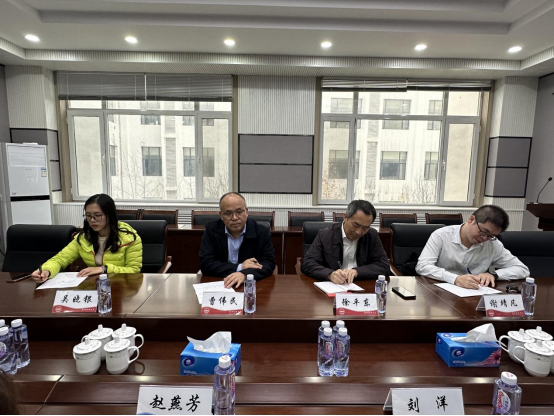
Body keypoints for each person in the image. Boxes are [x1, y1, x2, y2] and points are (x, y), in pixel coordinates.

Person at [31, 194, 142, 282]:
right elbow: (60, 259)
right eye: (88, 216)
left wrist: (104, 269)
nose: (92, 220)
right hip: (94, 286)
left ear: (110, 215)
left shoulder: (129, 238)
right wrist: (46, 271)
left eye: (97, 215)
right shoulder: (83, 238)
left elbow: (134, 270)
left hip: (120, 286)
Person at [416, 205, 529, 289]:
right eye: (483, 232)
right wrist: (455, 279)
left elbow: (522, 269)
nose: (485, 238)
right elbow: (423, 266)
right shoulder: (441, 235)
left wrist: (494, 275)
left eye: (491, 236)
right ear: (471, 220)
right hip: (440, 292)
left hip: (474, 294)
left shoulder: (493, 244)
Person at [301, 200, 390, 283]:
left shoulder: (372, 235)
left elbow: (384, 266)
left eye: (365, 228)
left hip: (360, 284)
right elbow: (308, 263)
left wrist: (357, 271)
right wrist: (330, 274)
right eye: (355, 225)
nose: (359, 232)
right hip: (333, 286)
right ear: (345, 217)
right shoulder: (325, 235)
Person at [199, 192, 275, 288]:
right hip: (220, 283)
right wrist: (240, 267)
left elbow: (268, 264)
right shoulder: (212, 230)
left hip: (249, 286)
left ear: (246, 212)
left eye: (239, 212)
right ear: (221, 215)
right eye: (228, 213)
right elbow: (206, 264)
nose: (234, 218)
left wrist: (244, 274)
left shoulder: (261, 231)